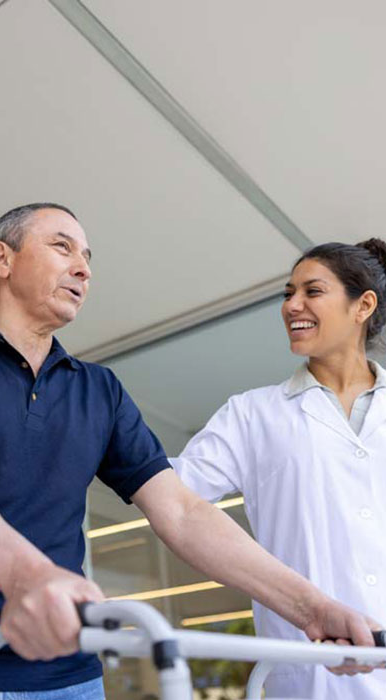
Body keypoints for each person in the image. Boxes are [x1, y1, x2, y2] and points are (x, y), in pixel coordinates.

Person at [0, 204, 380, 700]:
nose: (83, 269)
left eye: (87, 258)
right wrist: (30, 577)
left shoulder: (98, 390)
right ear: (2, 258)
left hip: (64, 676)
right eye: (63, 247)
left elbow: (183, 510)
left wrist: (313, 609)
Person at [172, 238, 386, 699]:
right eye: (288, 294)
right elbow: (172, 493)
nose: (292, 305)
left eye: (312, 291)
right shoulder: (252, 415)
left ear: (362, 305)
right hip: (310, 682)